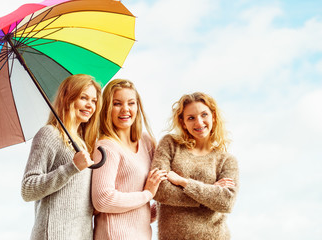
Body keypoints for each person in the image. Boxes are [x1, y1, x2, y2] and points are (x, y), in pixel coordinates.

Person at [21, 74, 102, 240]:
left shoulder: (83, 144)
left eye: (94, 101)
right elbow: (28, 189)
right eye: (84, 98)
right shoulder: (49, 134)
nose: (90, 105)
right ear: (68, 98)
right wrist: (71, 168)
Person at [151, 92, 239, 240]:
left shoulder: (226, 160)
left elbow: (226, 202)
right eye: (191, 118)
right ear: (183, 123)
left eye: (204, 115)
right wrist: (210, 193)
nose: (199, 122)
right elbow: (159, 190)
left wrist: (182, 182)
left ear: (213, 117)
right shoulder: (170, 144)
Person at [91, 79, 167, 240]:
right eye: (117, 103)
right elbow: (103, 200)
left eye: (131, 103)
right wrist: (147, 194)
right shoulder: (106, 147)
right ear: (106, 108)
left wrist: (155, 211)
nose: (125, 109)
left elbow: (159, 185)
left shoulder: (146, 142)